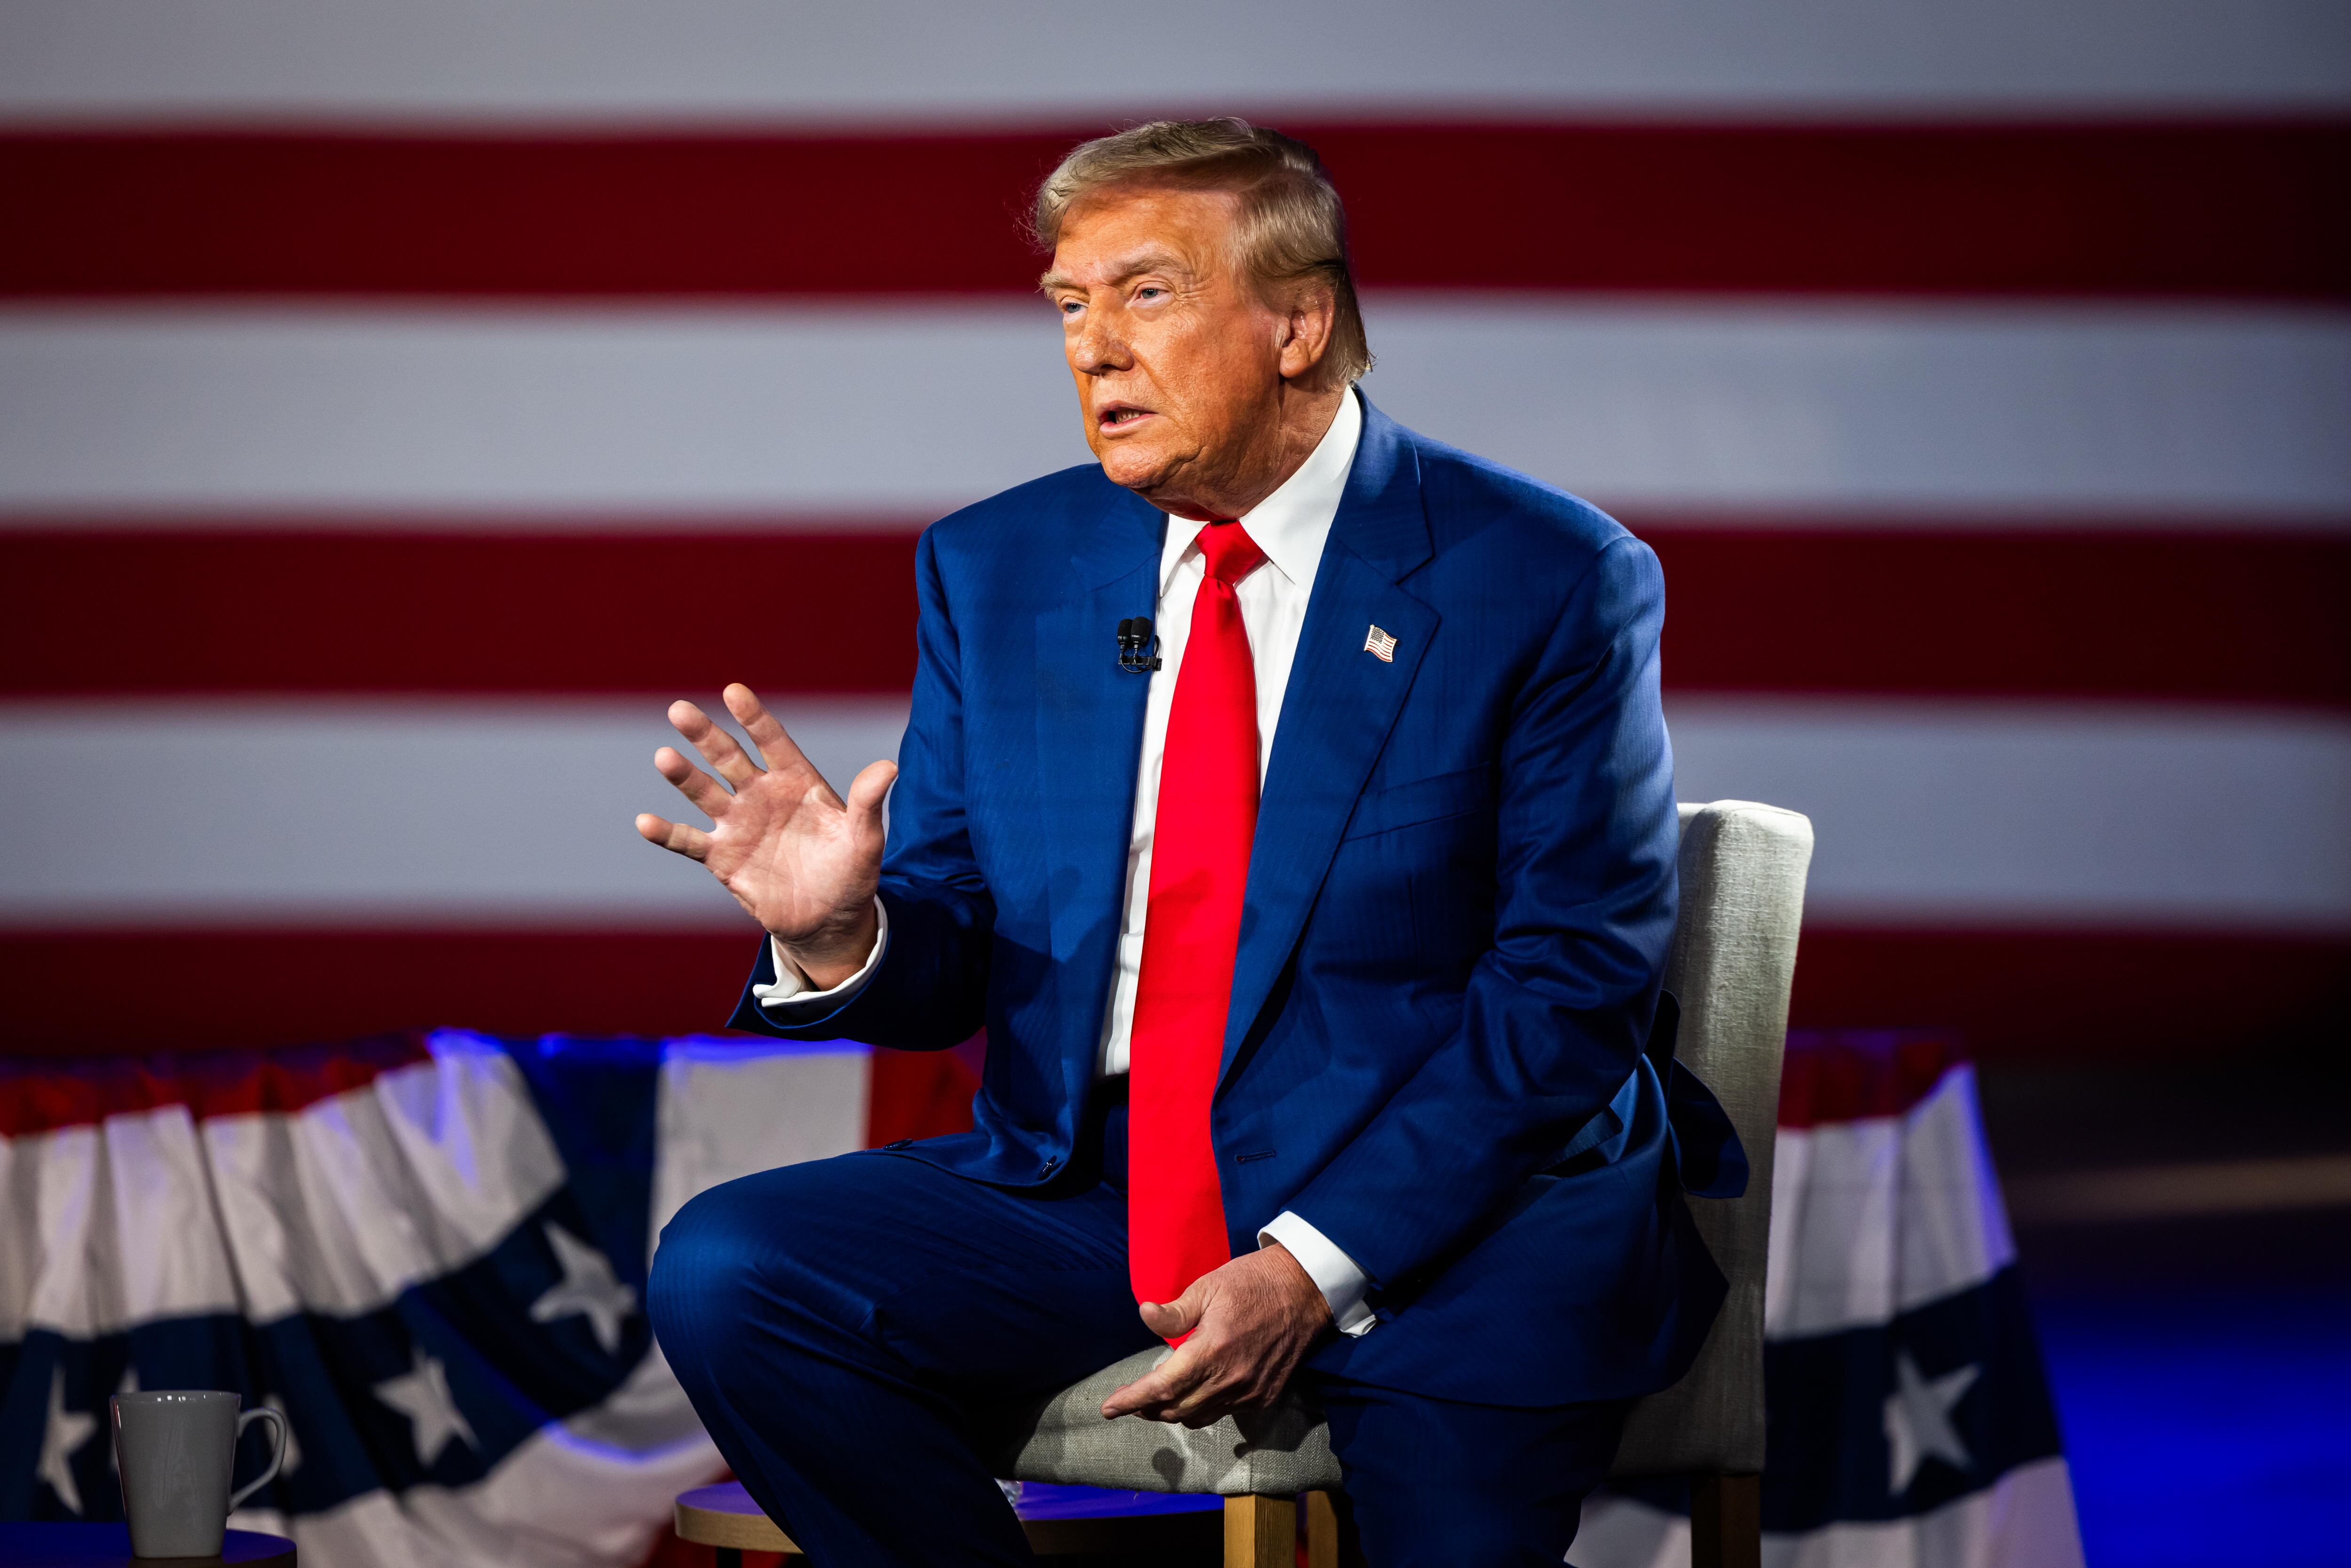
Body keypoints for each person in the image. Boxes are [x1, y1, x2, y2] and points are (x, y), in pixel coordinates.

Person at [639, 118, 1740, 1567]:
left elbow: (1569, 983)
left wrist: (1309, 1265)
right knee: (735, 1272)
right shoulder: (998, 567)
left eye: (1145, 294)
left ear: (1300, 324)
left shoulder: (1539, 576)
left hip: (1451, 1215)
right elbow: (961, 936)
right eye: (1070, 305)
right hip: (1104, 1191)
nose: (1093, 348)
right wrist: (849, 933)